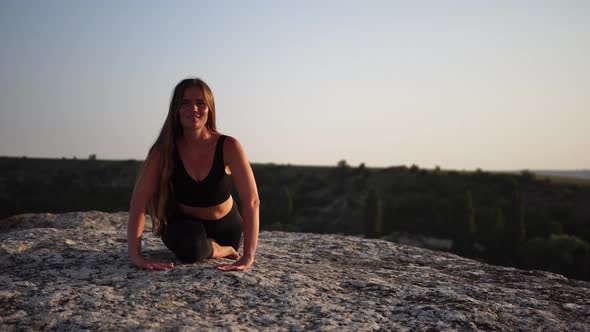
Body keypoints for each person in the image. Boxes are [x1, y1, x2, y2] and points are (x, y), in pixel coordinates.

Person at [127, 78, 260, 272]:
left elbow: (252, 201)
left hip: (226, 229)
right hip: (184, 227)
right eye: (185, 103)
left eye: (200, 103)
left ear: (210, 108)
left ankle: (221, 247)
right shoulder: (163, 151)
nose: (194, 109)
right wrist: (136, 256)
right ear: (176, 109)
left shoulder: (229, 146)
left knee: (196, 247)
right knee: (191, 248)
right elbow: (139, 202)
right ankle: (216, 250)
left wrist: (248, 255)